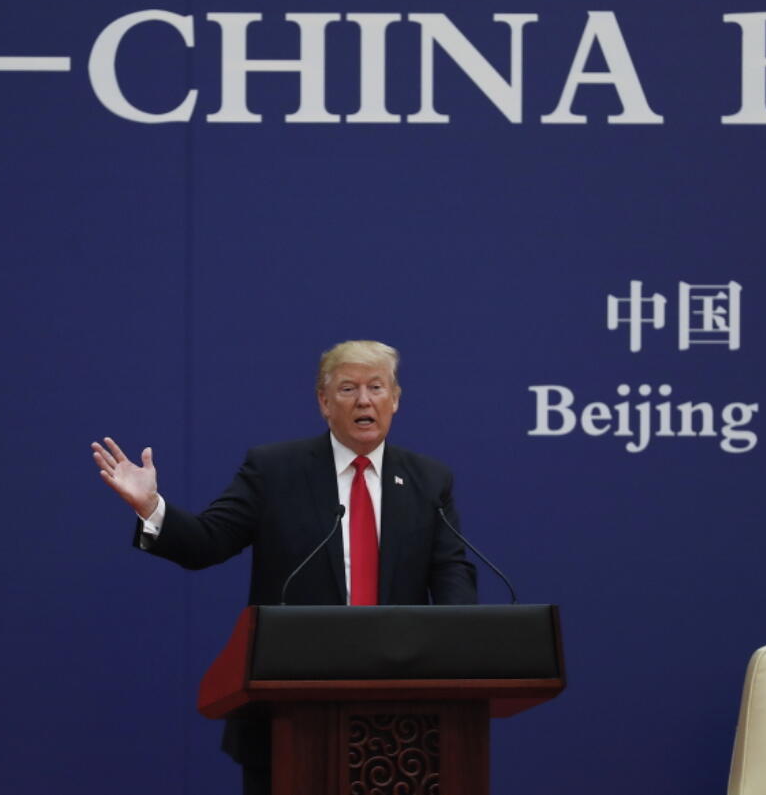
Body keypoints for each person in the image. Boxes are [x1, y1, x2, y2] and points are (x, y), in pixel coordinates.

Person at [91, 340, 477, 795]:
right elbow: (207, 543)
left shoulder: (428, 480)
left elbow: (451, 572)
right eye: (349, 388)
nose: (365, 400)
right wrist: (152, 506)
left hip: (401, 721)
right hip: (288, 715)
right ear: (323, 401)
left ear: (395, 399)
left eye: (377, 387)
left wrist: (458, 644)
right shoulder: (275, 470)